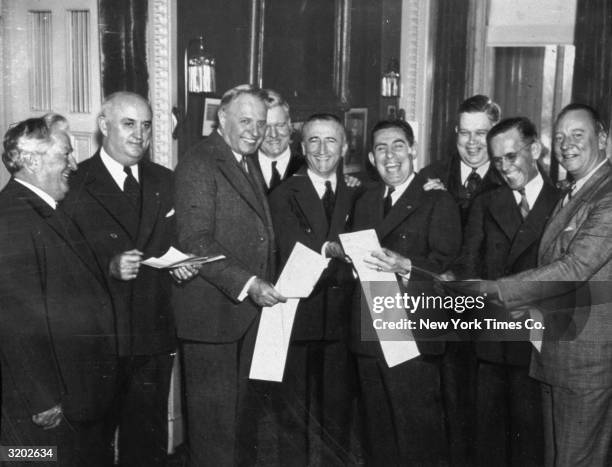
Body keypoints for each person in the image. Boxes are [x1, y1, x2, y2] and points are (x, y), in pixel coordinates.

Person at [462, 103, 612, 466]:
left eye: (578, 135)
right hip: (555, 356)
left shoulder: (606, 195)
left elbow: (574, 266)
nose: (567, 144)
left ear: (603, 138)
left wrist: (498, 290)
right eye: (560, 136)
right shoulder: (574, 191)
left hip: (585, 363)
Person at [62, 92, 192, 466]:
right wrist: (109, 266)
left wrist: (182, 265)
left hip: (152, 336)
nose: (140, 134)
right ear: (104, 126)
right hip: (99, 340)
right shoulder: (75, 182)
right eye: (129, 123)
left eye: (147, 125)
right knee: (92, 444)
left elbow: (175, 243)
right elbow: (62, 263)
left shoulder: (165, 180)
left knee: (146, 443)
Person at [173, 84, 286, 466]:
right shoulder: (200, 161)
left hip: (240, 319)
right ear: (221, 119)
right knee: (214, 435)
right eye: (245, 120)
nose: (255, 130)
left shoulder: (243, 158)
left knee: (237, 429)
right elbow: (196, 240)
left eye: (260, 122)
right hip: (213, 320)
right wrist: (250, 283)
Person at [0, 117, 117, 465]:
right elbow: (14, 320)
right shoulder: (11, 219)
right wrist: (41, 397)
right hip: (43, 407)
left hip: (75, 395)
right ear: (32, 160)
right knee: (30, 461)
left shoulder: (49, 210)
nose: (74, 164)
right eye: (65, 154)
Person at [447, 117, 559, 466]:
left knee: (533, 446)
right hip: (492, 347)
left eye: (512, 157)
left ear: (536, 150)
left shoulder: (565, 201)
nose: (505, 168)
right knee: (490, 445)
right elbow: (469, 267)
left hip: (542, 348)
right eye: (497, 161)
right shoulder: (487, 203)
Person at [350, 119, 462, 465]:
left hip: (411, 333)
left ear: (413, 150)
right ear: (371, 156)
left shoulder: (437, 200)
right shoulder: (365, 199)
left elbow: (448, 271)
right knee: (378, 436)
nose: (390, 156)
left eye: (398, 145)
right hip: (369, 330)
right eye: (381, 148)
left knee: (417, 440)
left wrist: (406, 265)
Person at [268, 113, 361, 465]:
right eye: (314, 141)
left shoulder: (358, 191)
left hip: (342, 324)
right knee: (294, 418)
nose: (323, 149)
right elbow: (294, 248)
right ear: (301, 146)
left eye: (331, 140)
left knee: (338, 419)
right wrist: (330, 249)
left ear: (345, 146)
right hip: (298, 320)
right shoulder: (283, 194)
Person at [421, 94, 504, 224]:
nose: (472, 141)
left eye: (480, 133)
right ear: (456, 131)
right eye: (464, 133)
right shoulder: (431, 175)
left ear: (496, 134)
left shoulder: (507, 178)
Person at [252, 89, 304, 193]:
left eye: (280, 125)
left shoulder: (307, 167)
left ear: (289, 124)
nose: (274, 134)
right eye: (266, 127)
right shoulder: (244, 167)